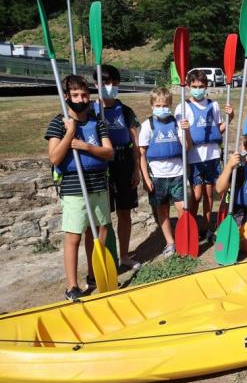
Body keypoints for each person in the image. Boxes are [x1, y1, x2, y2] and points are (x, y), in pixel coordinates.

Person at [45, 75, 114, 301]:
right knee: (73, 236)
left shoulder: (98, 122)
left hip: (98, 184)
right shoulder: (58, 122)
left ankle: (95, 274)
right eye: (75, 95)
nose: (80, 99)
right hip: (74, 187)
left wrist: (85, 146)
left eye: (84, 95)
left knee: (98, 232)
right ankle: (72, 286)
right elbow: (55, 157)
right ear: (67, 96)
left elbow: (108, 152)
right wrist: (70, 132)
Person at [174, 70, 232, 242]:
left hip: (212, 155)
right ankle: (190, 227)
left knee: (209, 194)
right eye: (194, 87)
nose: (198, 89)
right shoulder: (182, 107)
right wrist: (185, 132)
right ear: (189, 87)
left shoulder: (213, 105)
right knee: (196, 195)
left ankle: (206, 229)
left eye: (201, 86)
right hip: (194, 157)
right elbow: (182, 138)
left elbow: (219, 128)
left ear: (206, 87)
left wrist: (231, 117)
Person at [92, 64, 141, 269]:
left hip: (124, 163)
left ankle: (124, 256)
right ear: (96, 84)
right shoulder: (90, 110)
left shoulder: (126, 111)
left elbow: (135, 142)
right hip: (100, 165)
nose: (109, 86)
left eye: (113, 83)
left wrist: (136, 168)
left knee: (124, 213)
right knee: (102, 218)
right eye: (105, 83)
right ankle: (104, 261)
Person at [139, 87, 192, 259]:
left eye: (166, 105)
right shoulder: (148, 125)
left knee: (183, 209)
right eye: (158, 105)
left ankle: (185, 238)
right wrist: (146, 178)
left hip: (177, 173)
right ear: (152, 105)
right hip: (158, 176)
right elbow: (141, 155)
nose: (162, 108)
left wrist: (187, 131)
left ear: (170, 105)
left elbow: (188, 147)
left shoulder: (178, 122)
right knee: (162, 211)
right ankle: (170, 242)